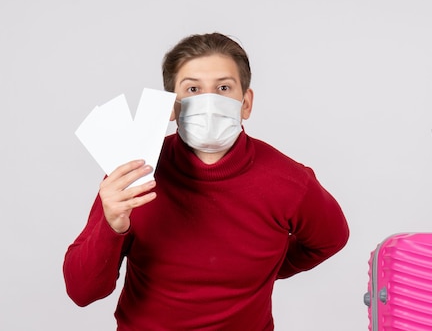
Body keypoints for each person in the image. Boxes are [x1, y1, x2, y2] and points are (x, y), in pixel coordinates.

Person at [63, 33, 350, 330]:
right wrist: (112, 225)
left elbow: (331, 238)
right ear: (172, 107)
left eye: (223, 88)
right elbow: (82, 292)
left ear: (246, 103)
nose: (209, 101)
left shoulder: (289, 181)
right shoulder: (131, 175)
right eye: (193, 89)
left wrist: (266, 268)